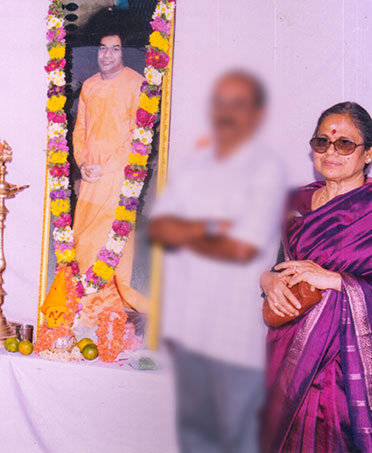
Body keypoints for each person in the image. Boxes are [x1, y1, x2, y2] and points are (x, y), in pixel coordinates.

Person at [260, 102, 372, 451]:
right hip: (290, 351)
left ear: (368, 154)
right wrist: (266, 280)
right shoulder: (298, 200)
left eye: (345, 144)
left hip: (346, 361)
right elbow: (283, 267)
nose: (330, 152)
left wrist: (336, 281)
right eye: (322, 143)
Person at [148, 71, 284, 453]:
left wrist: (190, 229)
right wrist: (214, 227)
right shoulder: (196, 166)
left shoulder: (266, 170)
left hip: (238, 329)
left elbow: (242, 248)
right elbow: (161, 227)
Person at [72, 29, 147, 322]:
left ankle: (104, 310)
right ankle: (84, 304)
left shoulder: (136, 84)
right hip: (90, 176)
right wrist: (84, 163)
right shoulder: (89, 86)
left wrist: (108, 166)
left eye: (114, 49)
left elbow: (136, 136)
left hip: (117, 176)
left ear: (123, 53)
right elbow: (80, 129)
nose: (106, 54)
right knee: (82, 239)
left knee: (109, 239)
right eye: (103, 48)